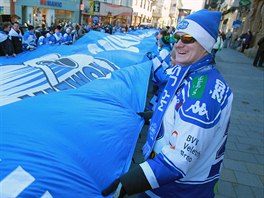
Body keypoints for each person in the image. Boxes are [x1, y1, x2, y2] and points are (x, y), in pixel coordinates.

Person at [102, 9, 233, 198]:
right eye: (176, 37)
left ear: (205, 43)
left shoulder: (203, 92)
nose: (178, 44)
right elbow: (175, 109)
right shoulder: (190, 71)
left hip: (177, 190)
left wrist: (128, 183)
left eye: (188, 39)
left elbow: (178, 160)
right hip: (165, 184)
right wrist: (153, 116)